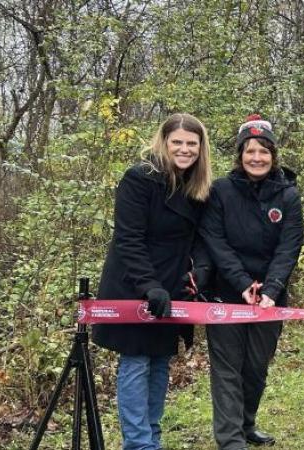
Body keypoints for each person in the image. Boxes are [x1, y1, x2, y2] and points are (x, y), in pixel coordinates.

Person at [92, 113, 213, 450]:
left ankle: (152, 437)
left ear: (201, 148)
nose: (185, 149)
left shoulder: (197, 186)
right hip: (134, 284)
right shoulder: (139, 179)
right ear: (164, 142)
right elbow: (129, 239)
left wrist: (200, 271)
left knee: (160, 359)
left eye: (192, 143)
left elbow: (201, 239)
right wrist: (149, 285)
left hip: (172, 284)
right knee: (136, 360)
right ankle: (138, 444)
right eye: (178, 142)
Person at [200, 114, 304, 450]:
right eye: (250, 151)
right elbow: (215, 240)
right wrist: (243, 283)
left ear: (273, 155)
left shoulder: (288, 194)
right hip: (227, 293)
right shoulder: (220, 191)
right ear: (240, 154)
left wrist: (271, 290)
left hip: (270, 299)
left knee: (256, 366)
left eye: (263, 151)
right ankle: (230, 439)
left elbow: (290, 246)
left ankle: (246, 424)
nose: (256, 157)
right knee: (228, 368)